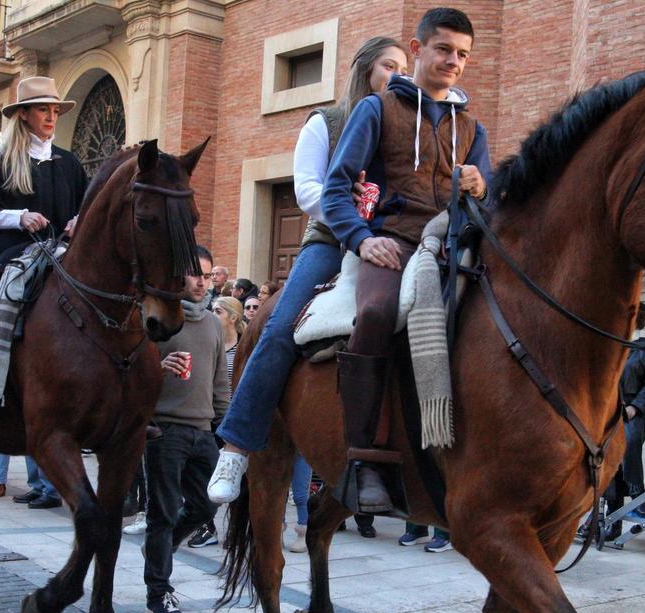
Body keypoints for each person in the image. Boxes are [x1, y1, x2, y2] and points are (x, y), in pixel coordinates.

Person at [207, 35, 410, 508]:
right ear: (364, 70)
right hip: (332, 241)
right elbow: (307, 191)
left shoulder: (408, 128)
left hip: (396, 244)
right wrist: (355, 220)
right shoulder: (329, 122)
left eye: (403, 69)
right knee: (280, 327)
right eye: (388, 66)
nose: (397, 76)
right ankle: (236, 446)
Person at [320, 7, 491, 513]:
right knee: (374, 313)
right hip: (391, 243)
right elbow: (335, 189)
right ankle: (363, 459)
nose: (453, 61)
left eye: (462, 54)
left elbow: (489, 196)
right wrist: (360, 238)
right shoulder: (375, 109)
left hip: (452, 241)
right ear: (416, 50)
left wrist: (483, 186)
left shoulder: (472, 125)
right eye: (443, 49)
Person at [0, 77, 87, 442]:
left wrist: (79, 221)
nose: (51, 116)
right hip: (8, 253)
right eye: (43, 109)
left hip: (59, 251)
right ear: (24, 114)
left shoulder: (70, 163)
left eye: (55, 110)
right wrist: (20, 216)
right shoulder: (2, 160)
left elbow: (86, 206)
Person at [142, 246, 229, 613]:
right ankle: (158, 591)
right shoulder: (158, 319)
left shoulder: (212, 323)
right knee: (160, 513)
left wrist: (224, 431)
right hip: (164, 429)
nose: (202, 282)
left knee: (207, 506)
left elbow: (220, 382)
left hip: (203, 431)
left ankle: (158, 549)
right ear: (179, 276)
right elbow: (131, 375)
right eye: (196, 274)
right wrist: (157, 368)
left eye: (208, 276)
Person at [187, 296, 245, 548]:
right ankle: (206, 526)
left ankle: (235, 527)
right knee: (205, 476)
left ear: (233, 317)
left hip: (234, 418)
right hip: (211, 416)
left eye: (218, 311)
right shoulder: (210, 343)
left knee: (236, 476)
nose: (213, 314)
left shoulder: (244, 347)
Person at [607, 308, 645, 527]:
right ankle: (611, 517)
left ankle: (638, 493)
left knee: (628, 444)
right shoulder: (608, 344)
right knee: (609, 459)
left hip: (633, 412)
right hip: (608, 412)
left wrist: (635, 407)